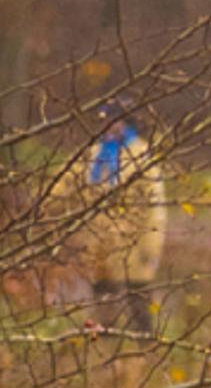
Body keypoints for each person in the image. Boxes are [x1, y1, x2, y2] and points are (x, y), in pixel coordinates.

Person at [67, 109, 168, 332]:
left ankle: (145, 347)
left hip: (132, 241)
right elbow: (66, 184)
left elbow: (155, 206)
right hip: (98, 242)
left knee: (138, 296)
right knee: (103, 296)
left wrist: (151, 245)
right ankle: (106, 346)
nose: (111, 125)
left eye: (116, 120)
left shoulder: (141, 154)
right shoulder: (94, 153)